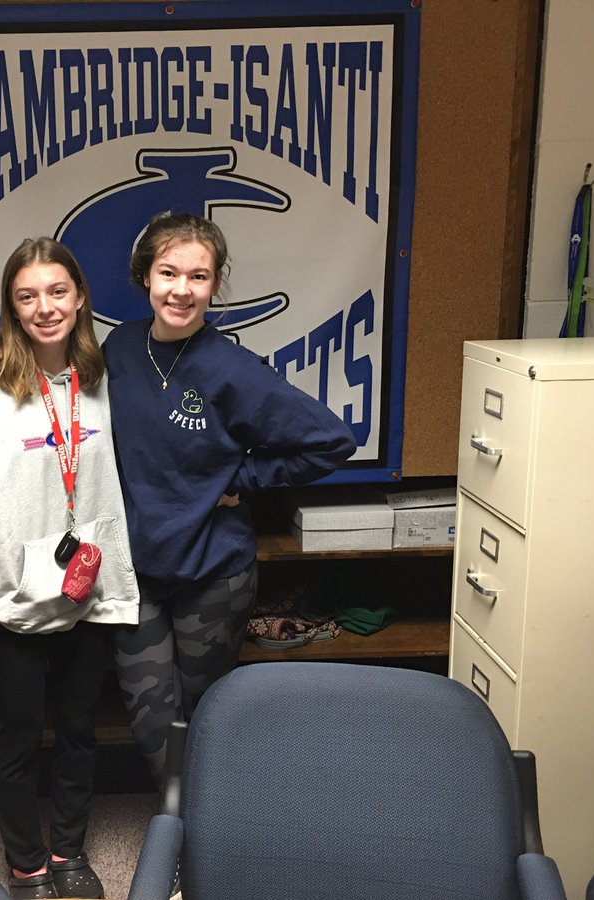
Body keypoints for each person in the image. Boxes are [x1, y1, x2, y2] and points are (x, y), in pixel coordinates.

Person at [103, 212, 358, 782]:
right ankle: (178, 820)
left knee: (207, 715)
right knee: (151, 719)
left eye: (198, 276)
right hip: (134, 570)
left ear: (215, 285)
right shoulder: (119, 348)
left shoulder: (234, 370)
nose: (182, 289)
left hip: (213, 573)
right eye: (169, 272)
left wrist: (241, 480)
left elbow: (332, 442)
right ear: (147, 276)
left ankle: (205, 840)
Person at [0, 237, 139, 900]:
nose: (45, 308)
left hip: (86, 593)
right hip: (13, 598)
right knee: (18, 738)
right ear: (12, 309)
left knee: (79, 731)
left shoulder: (103, 380)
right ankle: (27, 865)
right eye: (28, 296)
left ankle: (70, 852)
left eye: (57, 292)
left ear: (79, 298)